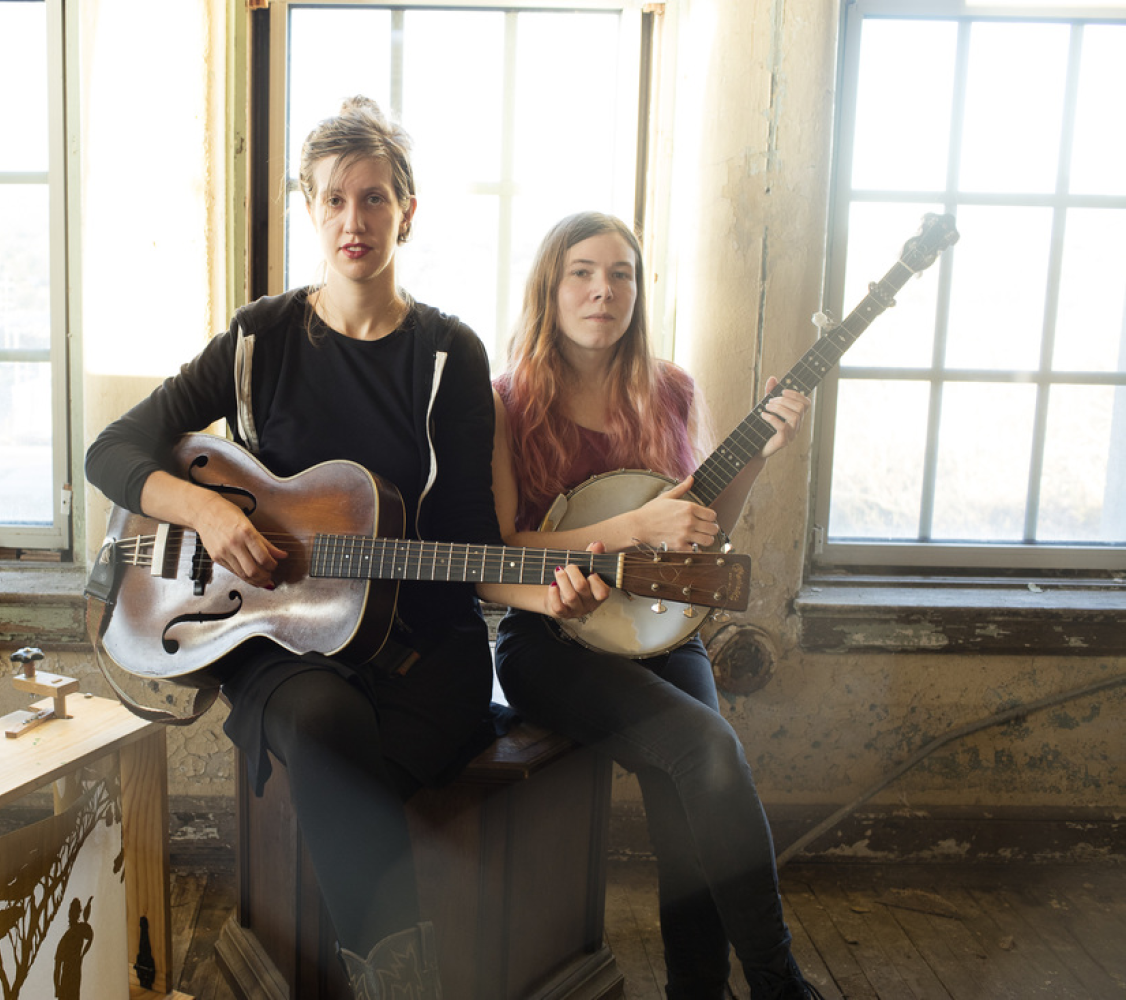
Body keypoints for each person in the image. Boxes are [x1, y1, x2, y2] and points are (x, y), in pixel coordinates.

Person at [85, 97, 586, 1000]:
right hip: (275, 636)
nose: (354, 221)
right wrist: (204, 512)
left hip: (422, 643)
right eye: (334, 201)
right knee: (320, 723)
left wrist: (549, 592)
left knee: (337, 764)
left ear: (408, 210)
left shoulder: (447, 356)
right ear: (309, 211)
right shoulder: (258, 339)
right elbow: (111, 451)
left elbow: (472, 541)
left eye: (375, 199)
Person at [489, 211, 823, 1000]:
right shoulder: (506, 402)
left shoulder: (670, 390)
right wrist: (633, 527)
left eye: (622, 273)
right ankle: (781, 986)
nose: (604, 289)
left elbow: (698, 538)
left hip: (663, 632)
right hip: (551, 639)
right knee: (705, 750)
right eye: (582, 271)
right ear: (550, 286)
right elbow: (502, 547)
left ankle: (697, 989)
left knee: (690, 790)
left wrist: (756, 457)